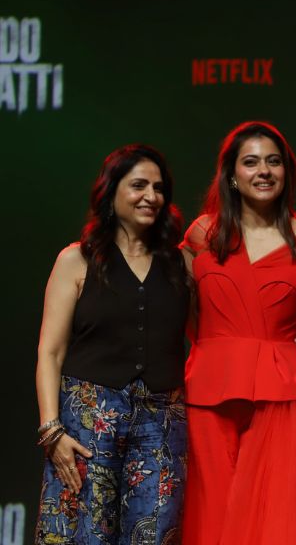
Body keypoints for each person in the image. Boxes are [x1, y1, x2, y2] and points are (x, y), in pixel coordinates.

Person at [180, 121, 296, 544]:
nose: (263, 171)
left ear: (286, 172)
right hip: (207, 395)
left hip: (284, 399)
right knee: (210, 521)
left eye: (273, 161)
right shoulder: (203, 235)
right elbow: (182, 313)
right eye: (251, 162)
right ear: (231, 175)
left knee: (281, 524)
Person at [34, 145, 190, 544]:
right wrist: (52, 430)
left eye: (158, 188)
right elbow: (50, 352)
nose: (150, 196)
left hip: (161, 421)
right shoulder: (77, 260)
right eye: (138, 185)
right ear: (111, 191)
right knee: (82, 535)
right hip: (88, 421)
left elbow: (221, 325)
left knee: (153, 535)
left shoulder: (182, 264)